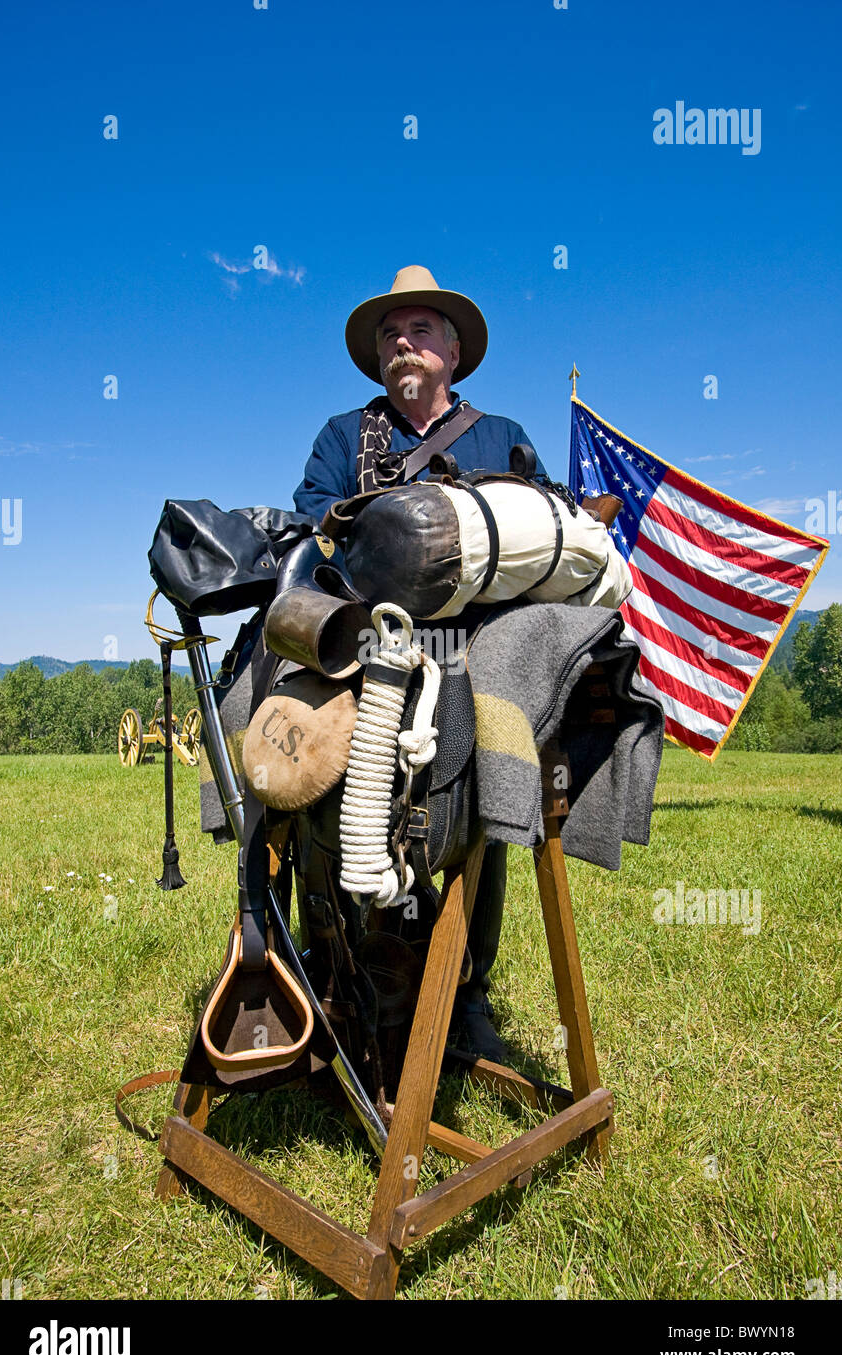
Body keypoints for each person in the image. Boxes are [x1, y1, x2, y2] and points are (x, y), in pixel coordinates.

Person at [292, 265, 552, 1061]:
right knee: (308, 765)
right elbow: (311, 530)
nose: (404, 344)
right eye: (391, 335)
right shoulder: (343, 438)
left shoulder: (498, 432)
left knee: (487, 772)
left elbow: (540, 534)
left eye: (421, 330)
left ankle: (465, 991)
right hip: (365, 642)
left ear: (453, 348)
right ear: (379, 357)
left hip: (470, 646)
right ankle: (331, 971)